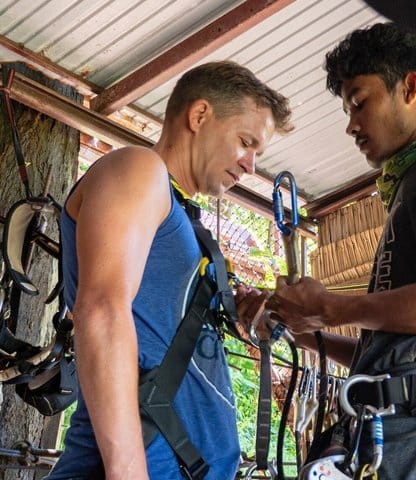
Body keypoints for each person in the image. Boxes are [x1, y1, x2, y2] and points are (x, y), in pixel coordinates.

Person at [262, 22, 416, 478]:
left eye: (359, 102)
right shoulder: (409, 187)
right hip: (393, 430)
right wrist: (302, 330)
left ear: (410, 87)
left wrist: (331, 308)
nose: (351, 125)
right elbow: (388, 353)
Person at [47, 61, 293, 480]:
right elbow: (102, 309)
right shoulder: (139, 169)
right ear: (199, 115)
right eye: (245, 142)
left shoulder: (181, 216)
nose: (251, 166)